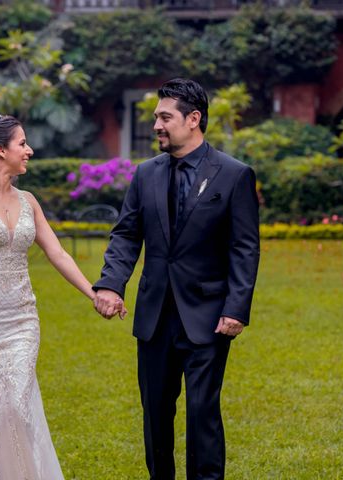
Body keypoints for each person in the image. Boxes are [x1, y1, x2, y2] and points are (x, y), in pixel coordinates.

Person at [92, 78, 260, 480]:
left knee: (203, 413)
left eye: (165, 117)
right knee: (155, 416)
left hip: (208, 316)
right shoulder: (145, 174)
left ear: (194, 119)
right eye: (156, 118)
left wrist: (236, 308)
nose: (156, 126)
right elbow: (126, 234)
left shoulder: (234, 175)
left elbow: (244, 248)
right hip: (153, 317)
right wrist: (111, 283)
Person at [0, 115, 115, 479]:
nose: (29, 150)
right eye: (22, 144)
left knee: (17, 405)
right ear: (1, 150)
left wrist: (93, 293)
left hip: (20, 319)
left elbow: (58, 254)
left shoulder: (29, 200)